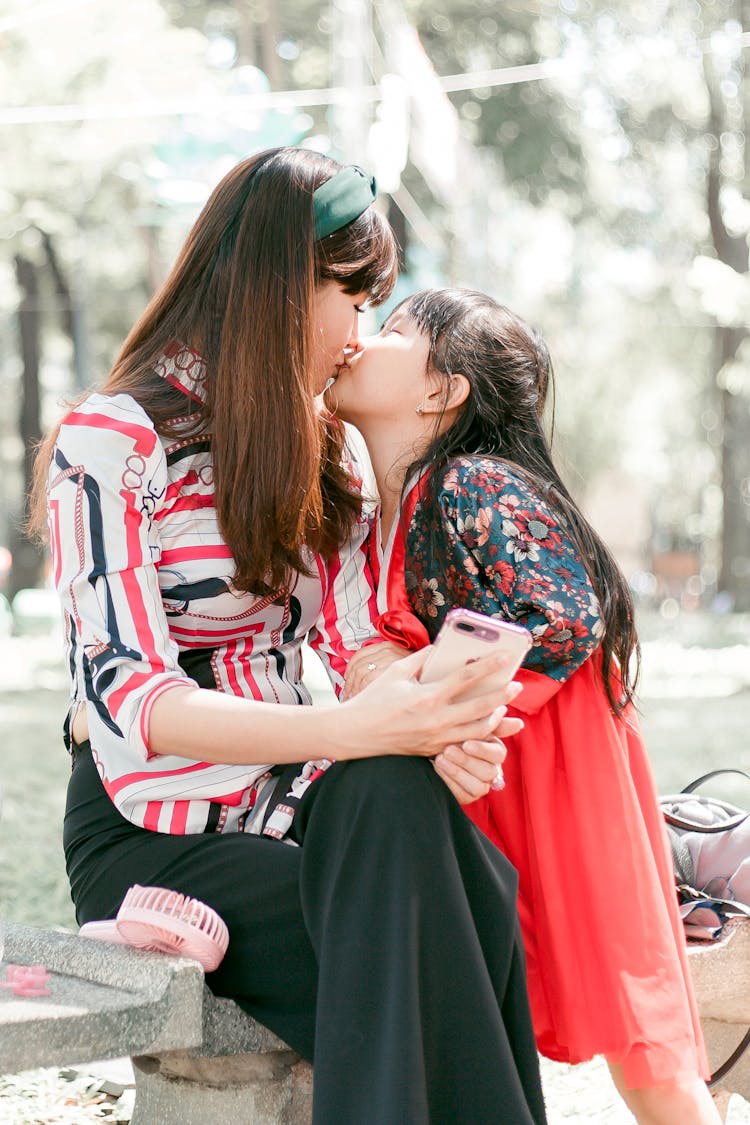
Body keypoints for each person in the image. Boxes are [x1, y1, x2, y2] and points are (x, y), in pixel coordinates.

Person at [28, 152, 548, 1125]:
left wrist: (423, 709)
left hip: (303, 811)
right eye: (353, 302)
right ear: (281, 289)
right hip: (157, 838)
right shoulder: (114, 441)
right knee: (446, 929)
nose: (358, 339)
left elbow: (359, 641)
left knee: (412, 823)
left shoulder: (320, 443)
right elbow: (132, 702)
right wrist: (358, 732)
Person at [328, 286, 721, 1125]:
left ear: (443, 390)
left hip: (559, 772)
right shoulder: (388, 511)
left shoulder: (470, 482)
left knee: (635, 1030)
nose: (361, 338)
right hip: (496, 773)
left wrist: (449, 689)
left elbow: (568, 612)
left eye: (393, 328)